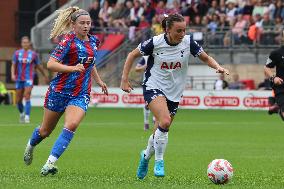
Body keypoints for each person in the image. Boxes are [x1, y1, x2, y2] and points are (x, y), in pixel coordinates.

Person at [120, 13, 229, 179]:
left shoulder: (188, 42)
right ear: (167, 30)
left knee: (161, 129)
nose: (182, 34)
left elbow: (205, 57)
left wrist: (217, 67)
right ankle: (159, 161)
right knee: (164, 121)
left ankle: (145, 157)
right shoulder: (155, 42)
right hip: (153, 86)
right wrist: (124, 79)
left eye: (184, 30)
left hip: (175, 92)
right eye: (178, 31)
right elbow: (131, 55)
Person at [23, 7, 108, 176]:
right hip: (59, 91)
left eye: (88, 23)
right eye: (82, 23)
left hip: (81, 93)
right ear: (73, 24)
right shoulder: (67, 41)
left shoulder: (94, 42)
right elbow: (51, 64)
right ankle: (30, 146)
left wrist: (98, 80)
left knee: (72, 124)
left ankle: (49, 163)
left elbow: (89, 63)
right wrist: (72, 68)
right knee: (45, 131)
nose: (86, 26)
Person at [11, 36, 49, 123]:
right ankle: (22, 113)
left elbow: (39, 66)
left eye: (26, 42)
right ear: (21, 44)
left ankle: (27, 117)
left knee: (27, 95)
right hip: (19, 78)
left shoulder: (33, 54)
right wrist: (13, 74)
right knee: (18, 100)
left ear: (29, 44)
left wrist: (45, 75)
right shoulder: (17, 53)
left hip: (29, 78)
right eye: (23, 42)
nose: (25, 44)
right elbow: (13, 65)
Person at [135, 56, 157, 131]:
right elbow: (137, 68)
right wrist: (145, 66)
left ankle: (155, 120)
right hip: (148, 84)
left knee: (158, 103)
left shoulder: (161, 54)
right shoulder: (145, 58)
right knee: (148, 104)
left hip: (160, 84)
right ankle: (146, 122)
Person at [264, 44, 284, 118]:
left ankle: (278, 109)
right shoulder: (277, 53)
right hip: (281, 87)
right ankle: (280, 108)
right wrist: (274, 78)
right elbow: (266, 67)